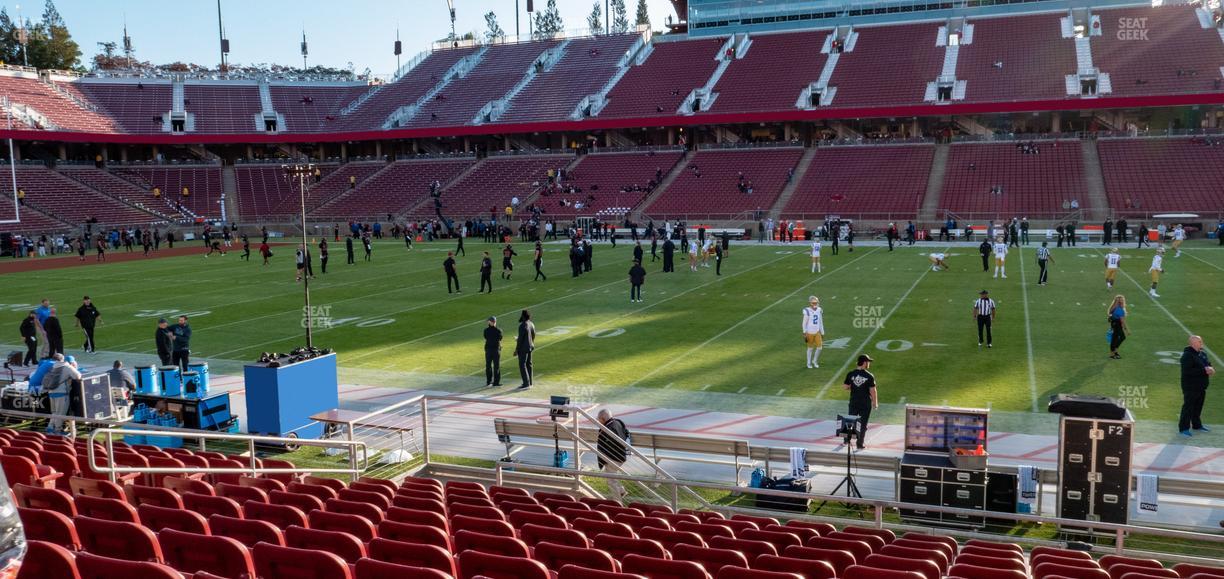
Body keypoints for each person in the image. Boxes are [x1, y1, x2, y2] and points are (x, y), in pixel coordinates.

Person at [1178, 335, 1214, 437]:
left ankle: (1197, 425)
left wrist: (1211, 369)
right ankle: (1183, 428)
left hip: (1201, 386)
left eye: (1201, 341)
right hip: (1191, 386)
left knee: (1198, 407)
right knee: (1188, 407)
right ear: (1192, 343)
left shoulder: (1202, 353)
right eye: (1199, 341)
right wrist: (1204, 370)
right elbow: (1187, 371)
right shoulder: (1187, 356)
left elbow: (1208, 364)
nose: (1201, 342)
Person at [842, 355, 878, 450]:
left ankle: (846, 440)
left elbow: (845, 386)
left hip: (854, 401)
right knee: (863, 424)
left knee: (850, 421)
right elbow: (873, 391)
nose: (869, 363)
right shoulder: (869, 376)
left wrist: (853, 387)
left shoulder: (851, 374)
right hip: (865, 403)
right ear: (864, 363)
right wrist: (875, 403)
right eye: (868, 362)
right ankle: (859, 444)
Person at [596, 408, 631, 500]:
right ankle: (621, 491)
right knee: (612, 475)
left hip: (614, 458)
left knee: (611, 480)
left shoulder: (607, 429)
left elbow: (602, 446)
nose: (599, 422)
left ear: (603, 419)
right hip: (621, 455)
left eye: (599, 420)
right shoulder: (618, 422)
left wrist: (603, 460)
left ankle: (617, 501)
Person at [42, 354, 80, 435]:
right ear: (63, 359)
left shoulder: (53, 366)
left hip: (51, 392)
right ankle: (57, 431)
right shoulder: (66, 367)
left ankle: (50, 428)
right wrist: (73, 367)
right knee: (61, 413)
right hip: (62, 393)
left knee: (55, 412)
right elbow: (78, 376)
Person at [514, 310, 536, 390]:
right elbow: (533, 335)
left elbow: (520, 340)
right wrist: (531, 342)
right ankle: (530, 382)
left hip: (523, 348)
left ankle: (526, 383)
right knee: (529, 364)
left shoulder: (522, 325)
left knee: (522, 365)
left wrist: (516, 350)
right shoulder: (531, 324)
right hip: (530, 346)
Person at [802, 296, 825, 369]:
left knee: (820, 348)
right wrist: (804, 332)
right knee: (810, 349)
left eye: (816, 303)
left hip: (817, 332)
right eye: (814, 303)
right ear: (810, 303)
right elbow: (804, 323)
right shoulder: (807, 311)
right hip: (809, 333)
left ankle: (814, 361)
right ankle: (808, 363)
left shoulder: (819, 310)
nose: (815, 304)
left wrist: (822, 332)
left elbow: (820, 321)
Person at [483, 316, 502, 388]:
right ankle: (496, 382)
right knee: (496, 366)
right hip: (496, 350)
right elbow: (500, 338)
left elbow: (485, 337)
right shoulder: (499, 330)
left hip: (488, 350)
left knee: (488, 366)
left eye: (489, 321)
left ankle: (489, 381)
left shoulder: (486, 330)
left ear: (491, 322)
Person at [1107, 295, 1128, 359]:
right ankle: (1113, 353)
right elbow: (1122, 320)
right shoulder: (1119, 309)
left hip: (1115, 324)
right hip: (1117, 324)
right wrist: (1127, 329)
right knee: (1120, 338)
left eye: (1122, 300)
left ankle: (1114, 352)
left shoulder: (1116, 307)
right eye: (1120, 300)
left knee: (1116, 338)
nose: (1122, 301)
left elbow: (1110, 315)